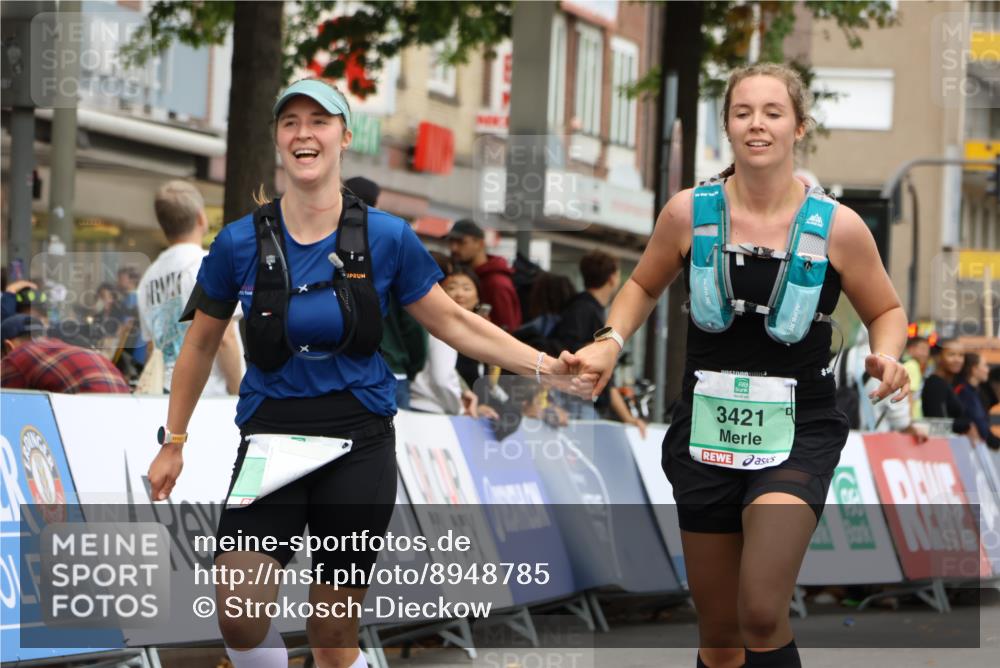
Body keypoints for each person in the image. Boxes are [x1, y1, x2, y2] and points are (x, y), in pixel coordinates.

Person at [145, 78, 579, 668]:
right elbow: (198, 345)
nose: (304, 133)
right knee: (239, 614)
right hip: (270, 439)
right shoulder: (238, 242)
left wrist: (545, 366)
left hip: (358, 440)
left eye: (319, 121)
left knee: (330, 635)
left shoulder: (386, 237)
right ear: (277, 139)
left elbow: (454, 323)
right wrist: (174, 440)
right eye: (290, 122)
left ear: (344, 137)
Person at [568, 63, 910, 668]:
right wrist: (610, 340)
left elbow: (885, 307)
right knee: (721, 635)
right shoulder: (687, 213)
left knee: (759, 609)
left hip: (798, 428)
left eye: (773, 113)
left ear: (798, 126)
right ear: (727, 125)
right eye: (743, 112)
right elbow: (642, 287)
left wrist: (888, 355)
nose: (757, 125)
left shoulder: (839, 227)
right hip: (705, 427)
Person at [137, 180, 243, 395]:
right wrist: (239, 392)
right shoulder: (209, 264)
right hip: (209, 394)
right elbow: (224, 338)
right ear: (201, 218)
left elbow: (152, 347)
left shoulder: (148, 278)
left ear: (163, 226)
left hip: (166, 391)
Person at [345, 176, 428, 410]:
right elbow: (413, 321)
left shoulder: (329, 245)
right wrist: (411, 365)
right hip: (392, 368)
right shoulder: (392, 245)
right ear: (376, 204)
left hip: (344, 369)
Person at [554, 250, 647, 435]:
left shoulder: (586, 309)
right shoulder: (584, 310)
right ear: (612, 278)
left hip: (585, 404)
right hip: (578, 405)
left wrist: (627, 418)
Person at [1, 314, 130, 393]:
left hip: (91, 420)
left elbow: (7, 408)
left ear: (8, 347)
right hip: (126, 419)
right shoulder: (61, 349)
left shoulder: (16, 357)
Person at [447, 219, 522, 332]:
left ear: (480, 243)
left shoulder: (497, 283)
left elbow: (508, 332)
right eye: (451, 242)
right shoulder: (466, 274)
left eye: (461, 242)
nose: (454, 248)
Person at [922, 339, 977, 439]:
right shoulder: (935, 383)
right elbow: (937, 422)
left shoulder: (946, 383)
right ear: (939, 357)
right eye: (951, 355)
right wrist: (967, 425)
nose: (958, 360)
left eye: (961, 355)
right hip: (940, 446)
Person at [955, 352, 1000, 450]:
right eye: (984, 366)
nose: (987, 370)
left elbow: (982, 425)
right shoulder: (962, 391)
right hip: (965, 448)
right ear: (974, 369)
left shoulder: (976, 393)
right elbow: (976, 423)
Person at [902, 335, 931, 419]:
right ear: (910, 349)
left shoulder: (908, 364)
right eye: (922, 349)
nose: (926, 354)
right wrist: (910, 421)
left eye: (927, 350)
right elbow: (909, 395)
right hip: (913, 418)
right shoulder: (912, 365)